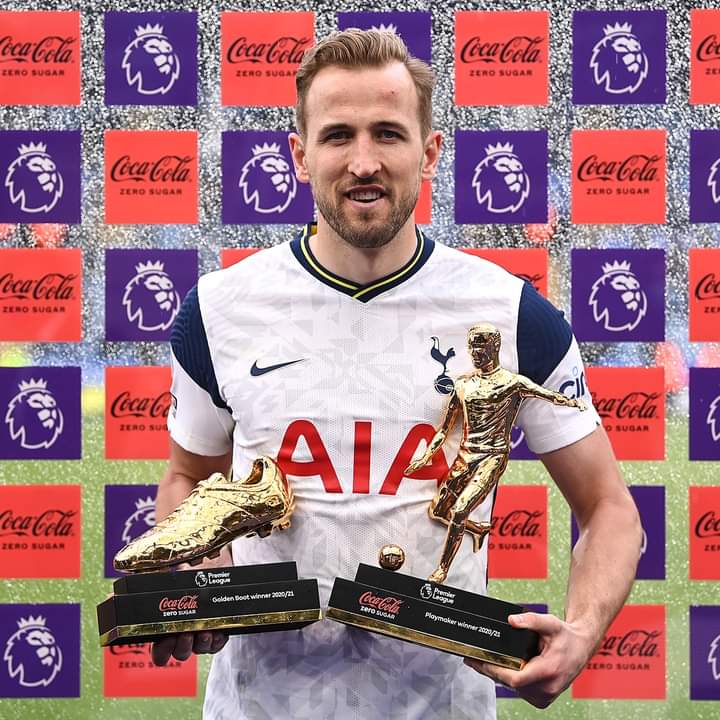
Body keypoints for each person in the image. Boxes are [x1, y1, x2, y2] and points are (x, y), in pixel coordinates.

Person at [152, 28, 642, 719]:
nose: (362, 162)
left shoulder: (511, 315)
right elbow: (187, 478)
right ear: (299, 155)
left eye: (387, 133)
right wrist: (193, 572)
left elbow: (611, 509)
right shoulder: (218, 311)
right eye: (337, 136)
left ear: (429, 151)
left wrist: (583, 632)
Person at [405, 323, 587, 585]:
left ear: (495, 348)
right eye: (472, 347)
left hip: (493, 456)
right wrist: (424, 458)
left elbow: (546, 394)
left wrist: (572, 402)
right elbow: (444, 431)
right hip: (467, 454)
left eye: (481, 347)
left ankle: (441, 571)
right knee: (438, 511)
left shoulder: (512, 383)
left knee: (458, 512)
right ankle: (477, 530)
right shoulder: (463, 386)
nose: (475, 353)